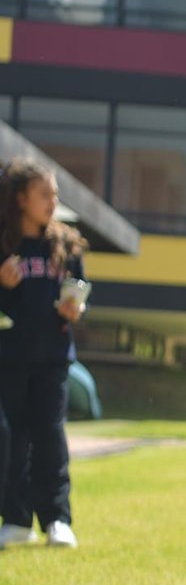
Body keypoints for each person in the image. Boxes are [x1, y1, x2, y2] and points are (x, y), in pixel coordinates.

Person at [0, 158, 89, 549]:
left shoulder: (66, 244)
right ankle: (16, 520)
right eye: (44, 194)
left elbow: (79, 293)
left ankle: (57, 519)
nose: (53, 201)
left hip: (53, 357)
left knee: (50, 434)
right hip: (11, 357)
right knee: (12, 437)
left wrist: (77, 308)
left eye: (55, 194)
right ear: (21, 199)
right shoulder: (4, 243)